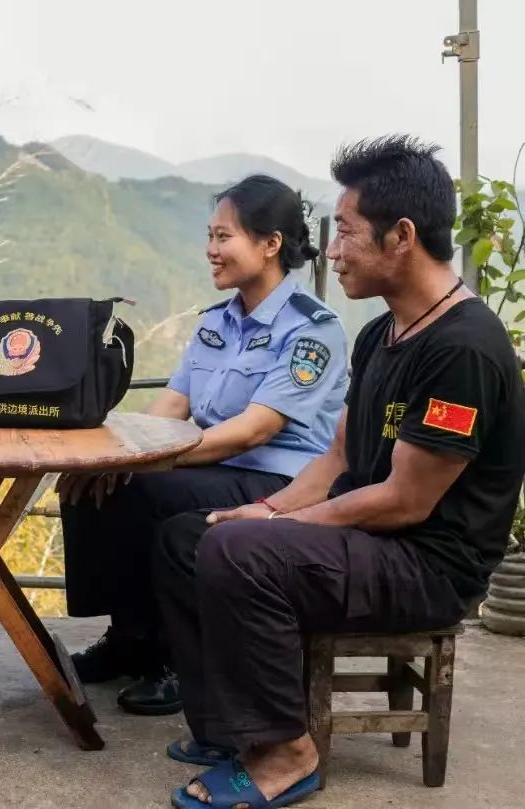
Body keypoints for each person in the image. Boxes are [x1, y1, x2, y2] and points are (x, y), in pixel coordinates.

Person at [156, 135, 525, 809]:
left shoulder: (463, 348)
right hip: (374, 538)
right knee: (190, 533)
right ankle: (228, 729)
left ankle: (289, 753)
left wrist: (270, 523)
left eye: (348, 232)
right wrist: (267, 509)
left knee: (241, 550)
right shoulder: (383, 331)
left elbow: (405, 502)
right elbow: (338, 460)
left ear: (401, 236)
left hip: (427, 562)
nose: (331, 249)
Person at [58, 174, 349, 716]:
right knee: (95, 482)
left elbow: (256, 429)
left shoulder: (312, 330)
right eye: (210, 237)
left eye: (224, 237)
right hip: (212, 465)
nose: (211, 251)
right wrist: (117, 455)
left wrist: (145, 463)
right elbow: (173, 404)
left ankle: (173, 658)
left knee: (143, 494)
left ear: (270, 244)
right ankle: (129, 636)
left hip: (279, 478)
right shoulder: (217, 323)